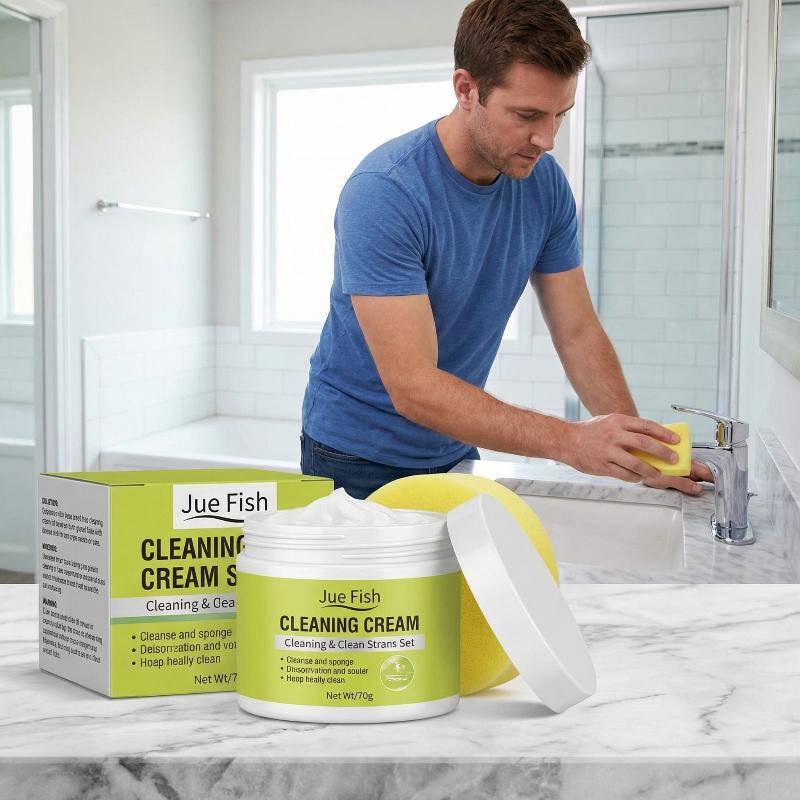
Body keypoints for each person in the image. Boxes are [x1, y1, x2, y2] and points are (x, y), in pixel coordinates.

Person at [300, 0, 711, 499]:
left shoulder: (545, 186)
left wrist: (642, 451)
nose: (547, 138)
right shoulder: (385, 192)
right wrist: (571, 440)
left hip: (454, 444)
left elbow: (578, 333)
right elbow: (413, 386)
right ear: (466, 89)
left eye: (560, 114)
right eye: (527, 115)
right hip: (355, 456)